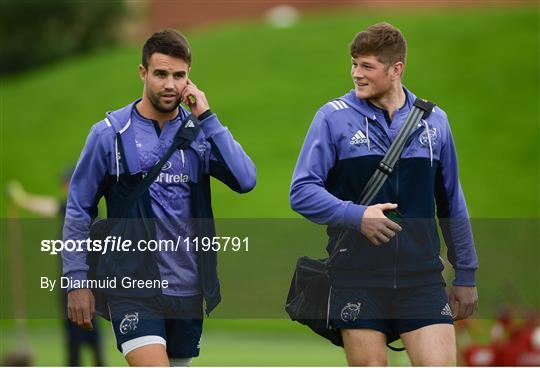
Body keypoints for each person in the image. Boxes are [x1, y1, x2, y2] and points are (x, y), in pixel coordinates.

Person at [62, 29, 256, 366]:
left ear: (189, 78)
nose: (170, 84)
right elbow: (79, 210)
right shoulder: (109, 134)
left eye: (179, 75)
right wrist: (76, 281)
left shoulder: (199, 135)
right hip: (132, 286)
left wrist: (207, 117)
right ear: (143, 73)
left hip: (188, 290)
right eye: (161, 74)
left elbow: (245, 179)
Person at [290, 22, 478, 366]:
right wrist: (357, 216)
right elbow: (301, 192)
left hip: (422, 278)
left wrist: (466, 273)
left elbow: (452, 203)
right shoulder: (332, 119)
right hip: (357, 276)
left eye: (366, 66)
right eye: (353, 64)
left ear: (396, 69)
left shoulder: (435, 122)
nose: (356, 74)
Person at [7, 172, 105, 367]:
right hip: (68, 285)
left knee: (92, 333)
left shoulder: (88, 211)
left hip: (88, 284)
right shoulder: (68, 209)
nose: (67, 189)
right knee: (72, 337)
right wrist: (23, 200)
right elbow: (50, 206)